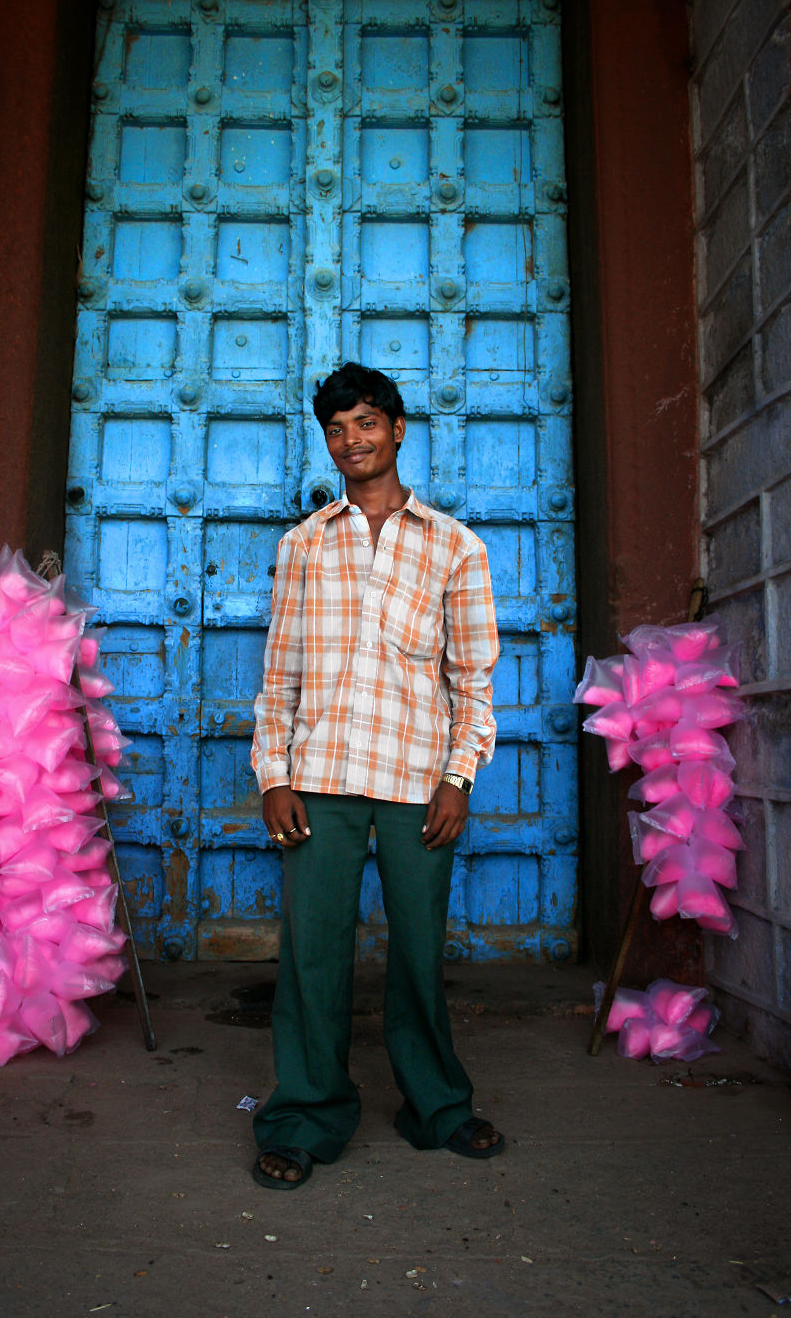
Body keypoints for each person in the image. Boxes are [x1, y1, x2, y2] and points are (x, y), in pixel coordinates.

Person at [249, 361, 502, 1189]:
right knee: (313, 957)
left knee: (419, 953)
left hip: (414, 783)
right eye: (335, 428)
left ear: (397, 429)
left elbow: (472, 680)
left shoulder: (455, 547)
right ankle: (305, 1117)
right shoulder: (304, 546)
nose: (351, 440)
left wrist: (458, 779)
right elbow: (279, 672)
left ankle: (437, 1105)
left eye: (365, 423)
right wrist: (272, 775)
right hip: (318, 779)